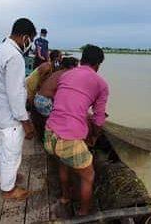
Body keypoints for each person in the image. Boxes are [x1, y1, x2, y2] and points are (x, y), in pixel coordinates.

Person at [44, 45, 109, 216]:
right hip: (68, 138)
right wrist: (94, 136)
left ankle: (66, 198)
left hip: (49, 133)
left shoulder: (66, 75)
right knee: (88, 176)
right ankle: (83, 213)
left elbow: (68, 102)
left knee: (63, 164)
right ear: (98, 64)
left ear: (81, 60)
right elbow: (99, 119)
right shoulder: (101, 84)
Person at [0, 18, 36, 200]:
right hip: (10, 117)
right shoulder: (15, 57)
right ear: (25, 37)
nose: (29, 45)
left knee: (1, 151)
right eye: (30, 39)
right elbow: (15, 94)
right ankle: (8, 190)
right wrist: (26, 122)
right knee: (12, 153)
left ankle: (8, 178)